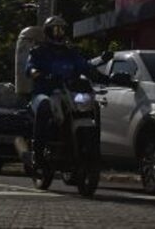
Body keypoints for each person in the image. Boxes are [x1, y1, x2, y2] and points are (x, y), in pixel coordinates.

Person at [25, 16, 103, 149]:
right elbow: (30, 68)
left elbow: (85, 66)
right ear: (47, 32)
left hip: (68, 93)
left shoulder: (71, 53)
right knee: (44, 105)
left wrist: (104, 76)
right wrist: (38, 74)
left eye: (61, 30)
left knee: (93, 107)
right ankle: (38, 152)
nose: (58, 34)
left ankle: (92, 152)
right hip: (45, 92)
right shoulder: (38, 52)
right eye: (55, 30)